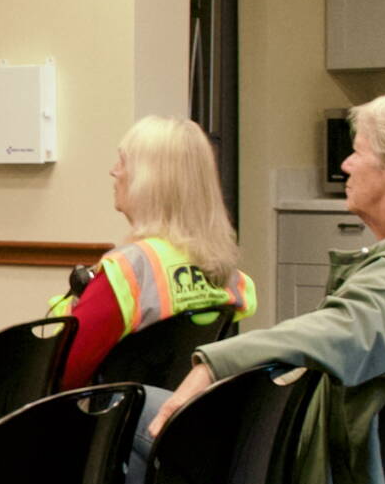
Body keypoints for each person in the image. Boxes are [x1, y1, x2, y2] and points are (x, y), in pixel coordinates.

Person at [155, 91, 385, 484]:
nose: (345, 164)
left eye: (357, 151)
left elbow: (350, 331)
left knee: (119, 428)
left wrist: (214, 364)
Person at [50, 115, 255, 388]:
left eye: (123, 162)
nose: (114, 171)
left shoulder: (129, 270)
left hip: (123, 412)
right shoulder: (224, 270)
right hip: (185, 409)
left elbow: (60, 373)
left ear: (147, 180)